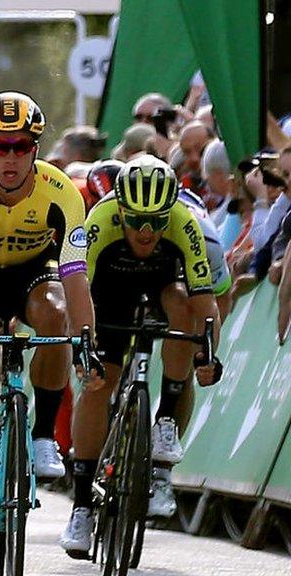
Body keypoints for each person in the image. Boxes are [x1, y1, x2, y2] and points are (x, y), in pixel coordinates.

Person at [0, 92, 100, 573]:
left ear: (36, 148)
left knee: (54, 315)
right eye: (1, 147)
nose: (11, 158)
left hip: (31, 273)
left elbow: (74, 277)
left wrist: (84, 338)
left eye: (22, 147)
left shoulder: (62, 192)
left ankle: (44, 434)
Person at [61, 156, 222, 558]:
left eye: (156, 220)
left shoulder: (185, 223)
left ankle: (165, 432)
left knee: (184, 308)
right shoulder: (100, 220)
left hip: (164, 283)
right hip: (110, 292)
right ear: (121, 212)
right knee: (99, 384)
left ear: (171, 210)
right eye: (136, 221)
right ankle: (81, 506)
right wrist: (83, 351)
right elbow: (78, 295)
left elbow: (207, 303)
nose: (146, 231)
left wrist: (208, 354)